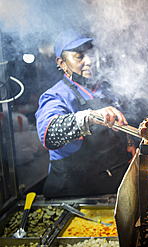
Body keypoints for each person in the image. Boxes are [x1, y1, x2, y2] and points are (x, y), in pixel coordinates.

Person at [35, 29, 136, 198]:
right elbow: (49, 134)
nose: (89, 61)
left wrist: (128, 142)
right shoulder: (55, 96)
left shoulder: (107, 89)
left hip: (113, 189)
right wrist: (90, 117)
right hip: (75, 195)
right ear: (61, 62)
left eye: (91, 53)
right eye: (79, 56)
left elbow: (118, 122)